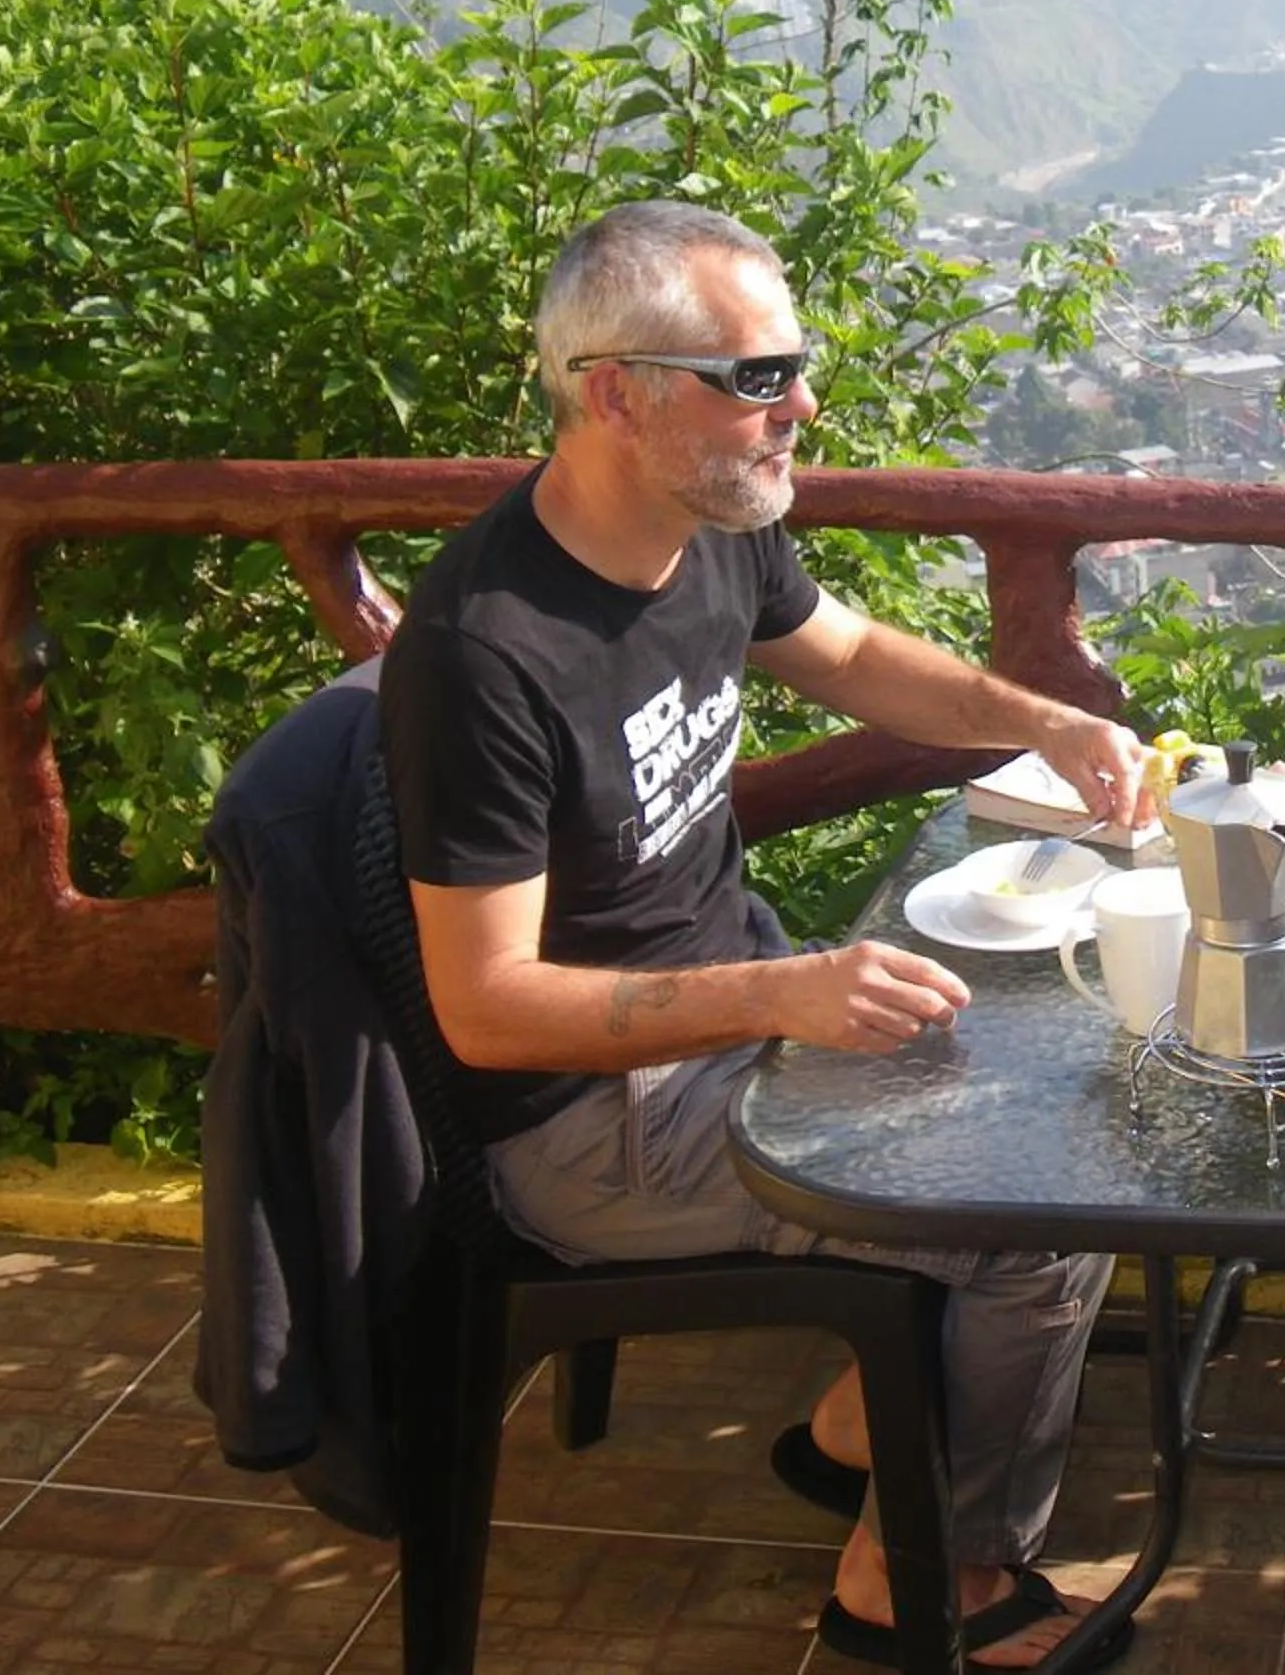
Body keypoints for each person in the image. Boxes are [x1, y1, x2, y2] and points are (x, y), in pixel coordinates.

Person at [379, 199, 1154, 1671]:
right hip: (589, 1130)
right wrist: (788, 991)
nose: (801, 404)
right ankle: (929, 1582)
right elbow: (483, 1007)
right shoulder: (486, 653)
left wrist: (1045, 717)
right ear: (615, 391)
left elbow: (855, 655)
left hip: (731, 1034)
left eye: (796, 366)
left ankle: (863, 1428)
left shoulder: (701, 527)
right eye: (755, 376)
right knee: (1038, 1216)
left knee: (1078, 1073)